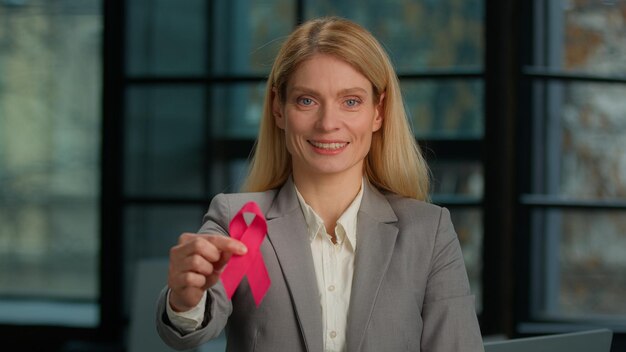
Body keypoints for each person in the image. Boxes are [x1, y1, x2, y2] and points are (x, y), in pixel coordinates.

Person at [156, 16, 483, 352]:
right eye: (306, 101)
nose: (328, 123)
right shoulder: (245, 223)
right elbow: (194, 324)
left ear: (378, 112)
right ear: (278, 109)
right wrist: (186, 299)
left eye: (351, 101)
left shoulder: (427, 233)